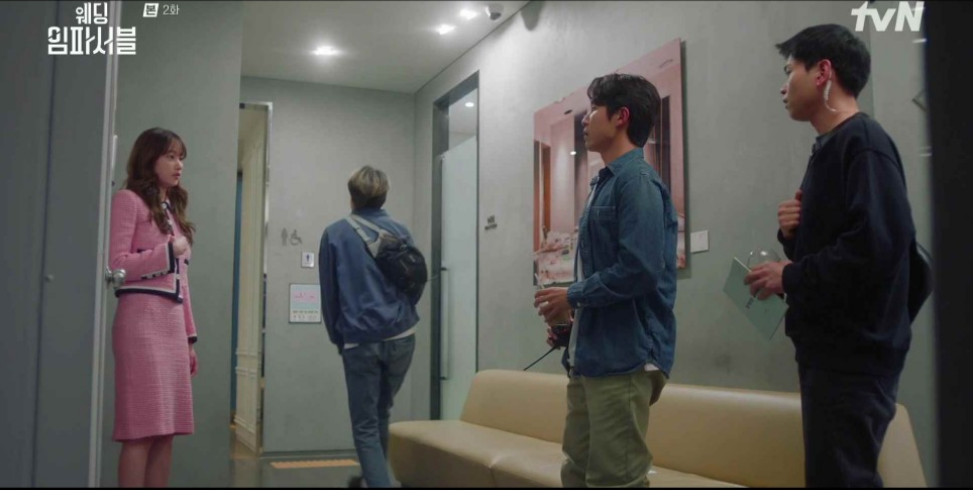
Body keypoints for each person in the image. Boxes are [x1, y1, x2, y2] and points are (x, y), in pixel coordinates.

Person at [744, 24, 917, 487]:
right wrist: (792, 236)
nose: (783, 86)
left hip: (853, 357)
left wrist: (790, 276)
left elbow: (875, 249)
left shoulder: (863, 142)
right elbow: (845, 246)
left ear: (822, 73)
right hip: (832, 354)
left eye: (790, 71)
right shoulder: (831, 148)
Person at [534, 73, 679, 488]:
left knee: (615, 480)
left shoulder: (637, 183)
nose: (585, 117)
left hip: (625, 357)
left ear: (621, 117)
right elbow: (609, 275)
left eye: (594, 108)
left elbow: (640, 270)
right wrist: (573, 325)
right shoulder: (606, 183)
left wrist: (573, 296)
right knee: (576, 473)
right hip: (593, 355)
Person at [319, 166, 420, 488]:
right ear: (384, 196)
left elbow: (330, 296)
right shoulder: (401, 231)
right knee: (381, 412)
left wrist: (339, 338)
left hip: (360, 340)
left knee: (364, 425)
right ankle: (370, 477)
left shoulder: (335, 234)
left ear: (352, 196)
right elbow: (415, 281)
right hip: (403, 336)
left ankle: (376, 481)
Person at [109, 127, 198, 487]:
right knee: (140, 431)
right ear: (150, 158)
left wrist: (189, 339)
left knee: (166, 431)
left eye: (181, 158)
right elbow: (116, 264)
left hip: (172, 326)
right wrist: (166, 253)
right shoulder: (128, 200)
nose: (179, 165)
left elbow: (182, 283)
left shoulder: (171, 211)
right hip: (141, 324)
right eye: (171, 156)